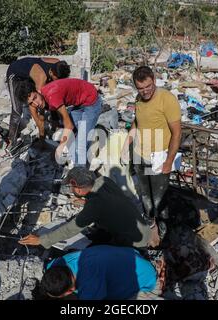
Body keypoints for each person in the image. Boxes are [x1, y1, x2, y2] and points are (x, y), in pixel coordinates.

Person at [19, 167, 152, 249]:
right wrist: (85, 202)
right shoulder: (104, 180)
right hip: (140, 228)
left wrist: (41, 240)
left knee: (93, 250)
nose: (70, 190)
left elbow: (70, 229)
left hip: (134, 241)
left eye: (71, 187)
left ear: (79, 189)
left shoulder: (95, 206)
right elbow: (110, 201)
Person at [121, 66, 182, 239]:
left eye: (148, 86)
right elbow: (137, 122)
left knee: (159, 197)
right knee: (145, 195)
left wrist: (169, 162)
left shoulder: (167, 99)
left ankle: (165, 231)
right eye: (140, 88)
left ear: (154, 80)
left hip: (159, 157)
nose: (145, 91)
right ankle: (151, 225)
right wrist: (128, 142)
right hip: (141, 155)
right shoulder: (138, 99)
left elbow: (177, 133)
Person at [28, 78, 103, 166]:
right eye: (31, 102)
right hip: (79, 103)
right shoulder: (38, 101)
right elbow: (53, 112)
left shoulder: (53, 96)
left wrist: (60, 147)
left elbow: (69, 126)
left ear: (37, 91)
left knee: (80, 143)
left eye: (35, 98)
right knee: (75, 132)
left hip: (91, 100)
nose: (36, 104)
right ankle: (81, 147)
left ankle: (80, 173)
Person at [41, 245, 157, 300]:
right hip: (130, 256)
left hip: (147, 278)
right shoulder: (59, 263)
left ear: (70, 290)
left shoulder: (90, 287)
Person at [6, 57, 70, 147]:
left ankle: (56, 125)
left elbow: (52, 97)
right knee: (17, 109)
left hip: (28, 74)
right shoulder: (41, 78)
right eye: (56, 79)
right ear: (51, 73)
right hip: (15, 75)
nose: (57, 82)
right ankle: (12, 140)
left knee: (52, 95)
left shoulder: (58, 64)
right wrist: (41, 126)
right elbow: (35, 105)